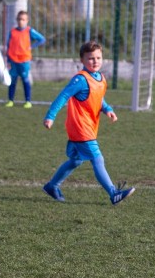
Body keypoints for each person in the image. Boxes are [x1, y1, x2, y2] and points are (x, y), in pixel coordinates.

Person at [42, 40, 135, 206]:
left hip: (90, 126)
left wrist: (107, 109)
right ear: (82, 61)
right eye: (90, 58)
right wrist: (50, 116)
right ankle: (114, 194)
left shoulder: (101, 78)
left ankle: (52, 186)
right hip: (80, 127)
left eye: (98, 57)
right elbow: (63, 96)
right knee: (97, 159)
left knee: (76, 161)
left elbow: (98, 98)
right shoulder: (80, 79)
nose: (95, 61)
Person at [4, 10, 46, 109]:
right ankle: (10, 100)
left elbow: (42, 39)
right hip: (13, 60)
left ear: (27, 20)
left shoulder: (29, 31)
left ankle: (28, 101)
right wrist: (8, 59)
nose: (20, 21)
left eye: (23, 19)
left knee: (25, 80)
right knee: (12, 80)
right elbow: (8, 45)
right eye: (19, 19)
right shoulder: (12, 32)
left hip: (24, 60)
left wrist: (32, 47)